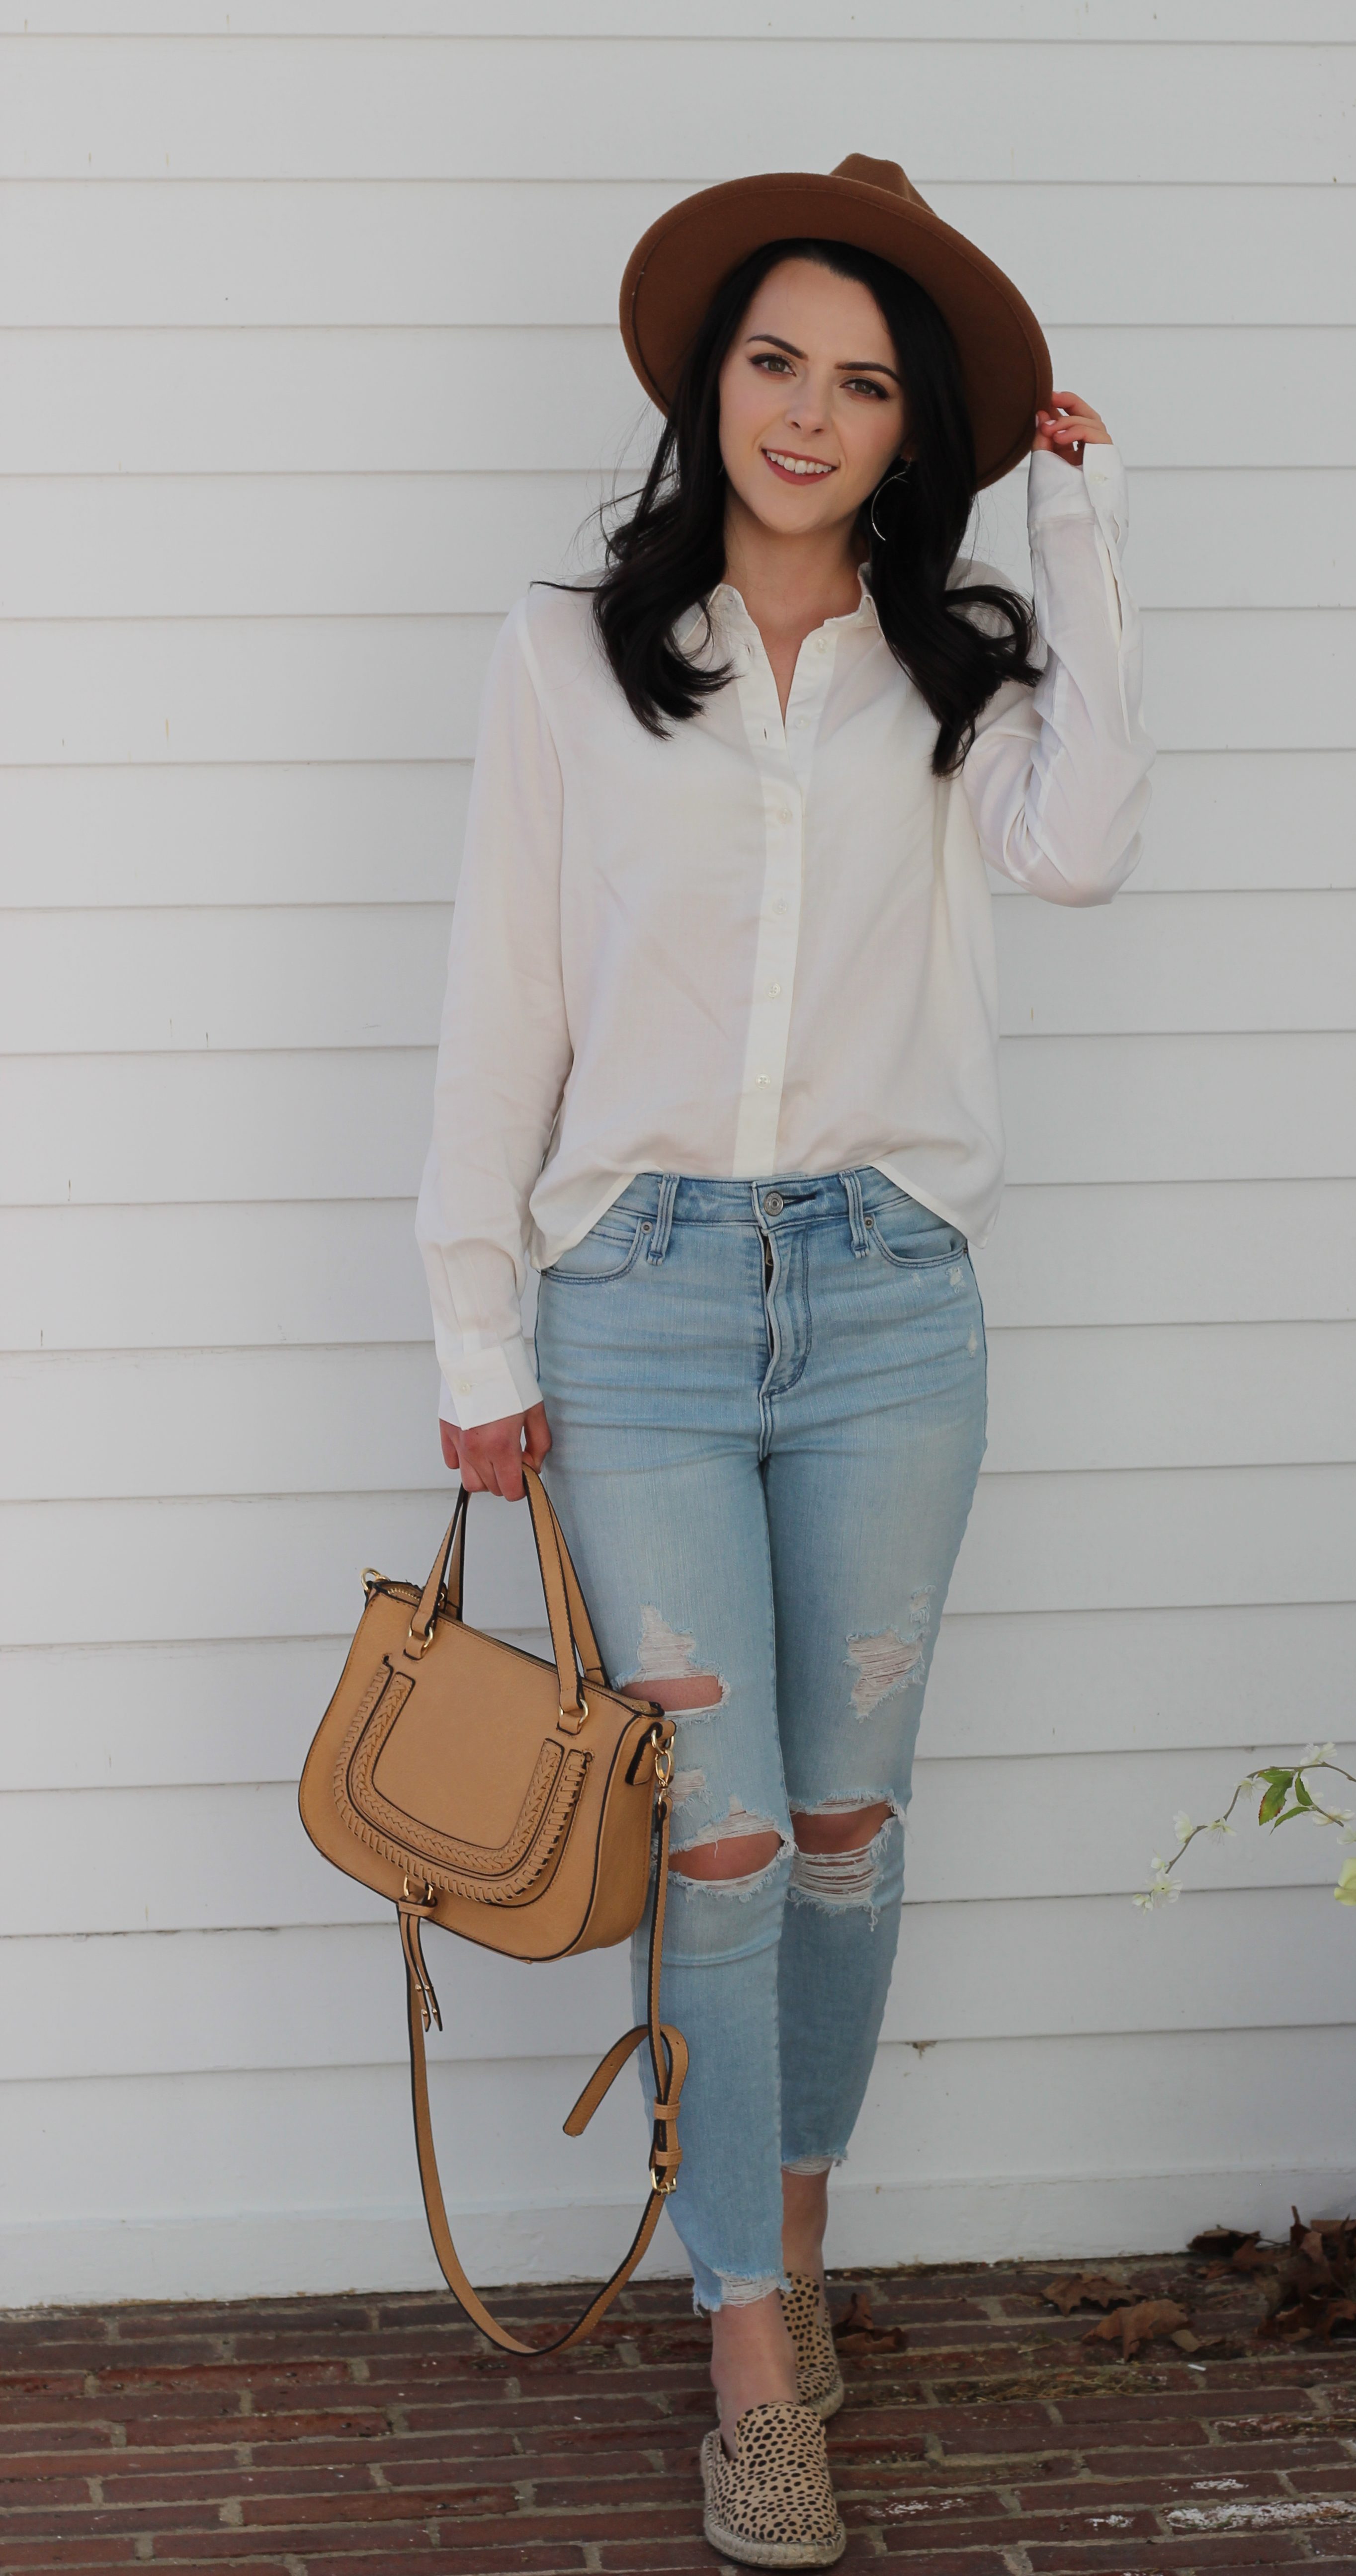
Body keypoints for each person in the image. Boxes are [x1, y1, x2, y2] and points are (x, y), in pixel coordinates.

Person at [416, 155, 1154, 2569]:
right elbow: (499, 1010)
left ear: (908, 424)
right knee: (715, 1835)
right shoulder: (566, 652)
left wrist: (1086, 543)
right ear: (706, 379)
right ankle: (753, 2350)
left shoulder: (961, 669)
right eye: (775, 362)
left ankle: (794, 2238)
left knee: (845, 1829)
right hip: (628, 1299)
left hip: (885, 1301)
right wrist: (472, 1329)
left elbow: (1084, 852)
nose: (809, 415)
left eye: (861, 382)